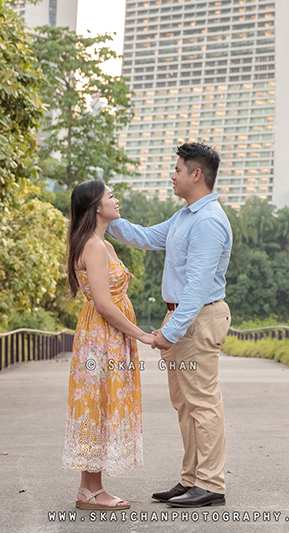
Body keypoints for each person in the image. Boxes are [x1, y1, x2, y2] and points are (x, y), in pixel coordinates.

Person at [107, 143, 232, 508]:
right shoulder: (185, 217)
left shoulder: (208, 221)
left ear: (196, 174)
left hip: (196, 317)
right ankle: (191, 478)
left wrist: (169, 332)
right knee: (185, 403)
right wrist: (103, 214)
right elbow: (144, 237)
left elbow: (197, 286)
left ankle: (211, 484)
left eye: (177, 169)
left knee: (202, 402)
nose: (171, 175)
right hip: (182, 316)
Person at [62, 180, 154, 511]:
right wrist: (141, 334)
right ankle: (91, 490)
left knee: (99, 404)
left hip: (107, 339)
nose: (116, 200)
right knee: (97, 406)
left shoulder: (101, 243)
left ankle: (89, 490)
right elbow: (103, 303)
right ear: (97, 208)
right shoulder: (94, 246)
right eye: (110, 196)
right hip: (102, 339)